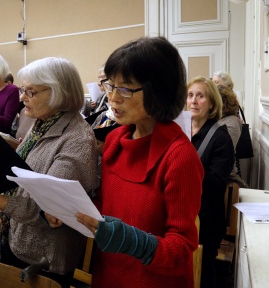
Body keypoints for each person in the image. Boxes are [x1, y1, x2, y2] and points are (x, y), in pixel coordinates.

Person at [0, 58, 100, 286]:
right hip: (18, 236)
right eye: (23, 90)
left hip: (45, 255)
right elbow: (26, 174)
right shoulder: (41, 123)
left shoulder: (77, 139)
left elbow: (48, 210)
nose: (21, 97)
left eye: (30, 92)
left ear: (58, 93)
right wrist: (2, 208)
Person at [74, 36, 204, 287]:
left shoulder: (179, 156)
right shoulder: (114, 140)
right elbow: (106, 208)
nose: (112, 98)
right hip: (109, 275)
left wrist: (128, 240)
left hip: (152, 280)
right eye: (110, 86)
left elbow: (181, 250)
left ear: (159, 92)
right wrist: (66, 210)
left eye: (125, 89)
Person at [187, 77, 234, 288]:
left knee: (202, 274)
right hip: (182, 213)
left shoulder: (220, 138)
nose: (194, 101)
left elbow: (215, 188)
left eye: (200, 96)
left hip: (205, 221)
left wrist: (189, 162)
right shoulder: (182, 130)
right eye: (190, 95)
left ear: (212, 103)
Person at [217, 85, 245, 184]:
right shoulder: (217, 119)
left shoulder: (232, 122)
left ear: (223, 102)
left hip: (227, 178)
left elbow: (223, 152)